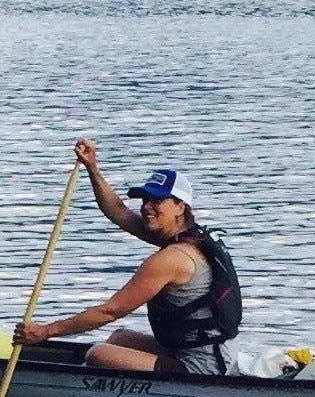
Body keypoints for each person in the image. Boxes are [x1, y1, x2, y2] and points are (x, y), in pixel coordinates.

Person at [13, 139, 241, 375]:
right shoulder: (191, 238)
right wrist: (92, 168)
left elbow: (111, 311)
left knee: (98, 354)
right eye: (144, 200)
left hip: (203, 367)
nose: (146, 207)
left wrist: (46, 331)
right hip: (205, 351)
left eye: (156, 201)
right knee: (119, 338)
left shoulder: (172, 258)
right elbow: (119, 212)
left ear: (180, 207)